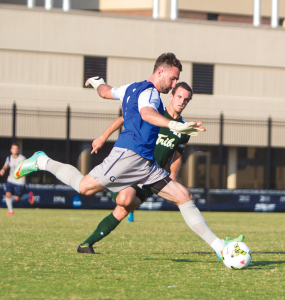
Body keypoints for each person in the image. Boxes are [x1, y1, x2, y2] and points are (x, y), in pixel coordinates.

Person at [14, 53, 244, 259]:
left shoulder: (131, 87)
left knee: (184, 196)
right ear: (160, 72)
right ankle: (42, 160)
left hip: (146, 164)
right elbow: (147, 114)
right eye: (172, 79)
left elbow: (105, 93)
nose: (173, 84)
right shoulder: (151, 94)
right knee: (84, 187)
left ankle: (220, 247)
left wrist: (98, 83)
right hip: (127, 156)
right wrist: (174, 125)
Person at [89, 81, 193, 237]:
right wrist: (102, 137)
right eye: (179, 97)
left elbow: (177, 155)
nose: (182, 102)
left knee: (123, 210)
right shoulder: (154, 112)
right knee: (125, 200)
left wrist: (173, 175)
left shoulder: (184, 128)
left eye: (186, 99)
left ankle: (87, 244)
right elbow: (123, 119)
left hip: (153, 176)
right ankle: (111, 183)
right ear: (171, 96)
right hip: (134, 165)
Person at [0, 143, 34, 216]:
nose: (15, 150)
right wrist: (2, 170)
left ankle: (29, 195)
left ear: (18, 150)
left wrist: (24, 174)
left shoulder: (22, 158)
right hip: (10, 180)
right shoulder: (9, 158)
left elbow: (27, 168)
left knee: (16, 198)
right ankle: (11, 211)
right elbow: (5, 166)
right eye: (13, 148)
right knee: (7, 194)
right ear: (11, 150)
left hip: (19, 181)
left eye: (16, 148)